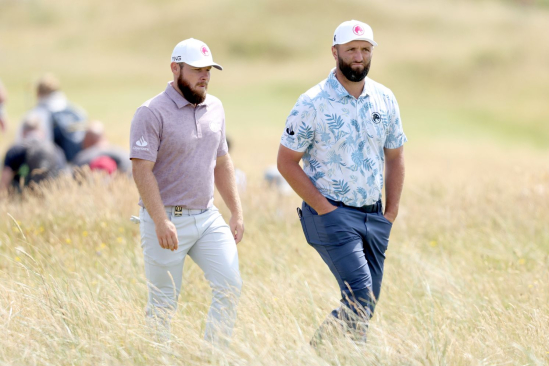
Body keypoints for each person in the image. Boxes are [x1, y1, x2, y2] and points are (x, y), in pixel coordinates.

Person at [277, 20, 407, 344]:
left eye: (365, 49)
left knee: (365, 305)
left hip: (374, 216)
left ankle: (346, 356)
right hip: (331, 215)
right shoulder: (312, 103)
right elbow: (285, 162)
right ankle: (313, 355)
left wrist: (390, 213)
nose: (359, 56)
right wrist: (326, 209)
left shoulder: (385, 99)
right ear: (335, 52)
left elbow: (395, 157)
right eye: (351, 49)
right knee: (361, 293)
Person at [130, 38, 244, 345]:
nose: (204, 76)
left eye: (208, 70)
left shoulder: (216, 107)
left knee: (230, 286)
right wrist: (159, 220)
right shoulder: (151, 112)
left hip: (207, 217)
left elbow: (222, 161)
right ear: (175, 68)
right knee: (163, 303)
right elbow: (142, 170)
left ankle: (212, 356)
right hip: (165, 221)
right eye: (196, 70)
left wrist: (236, 211)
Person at [18, 73, 87, 161]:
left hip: (49, 165)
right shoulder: (77, 112)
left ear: (38, 92)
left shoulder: (35, 115)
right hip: (79, 165)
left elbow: (20, 146)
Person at [1, 115, 66, 193]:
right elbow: (63, 178)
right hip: (51, 197)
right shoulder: (57, 150)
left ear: (23, 132)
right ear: (43, 132)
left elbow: (4, 183)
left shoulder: (15, 150)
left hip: (23, 199)